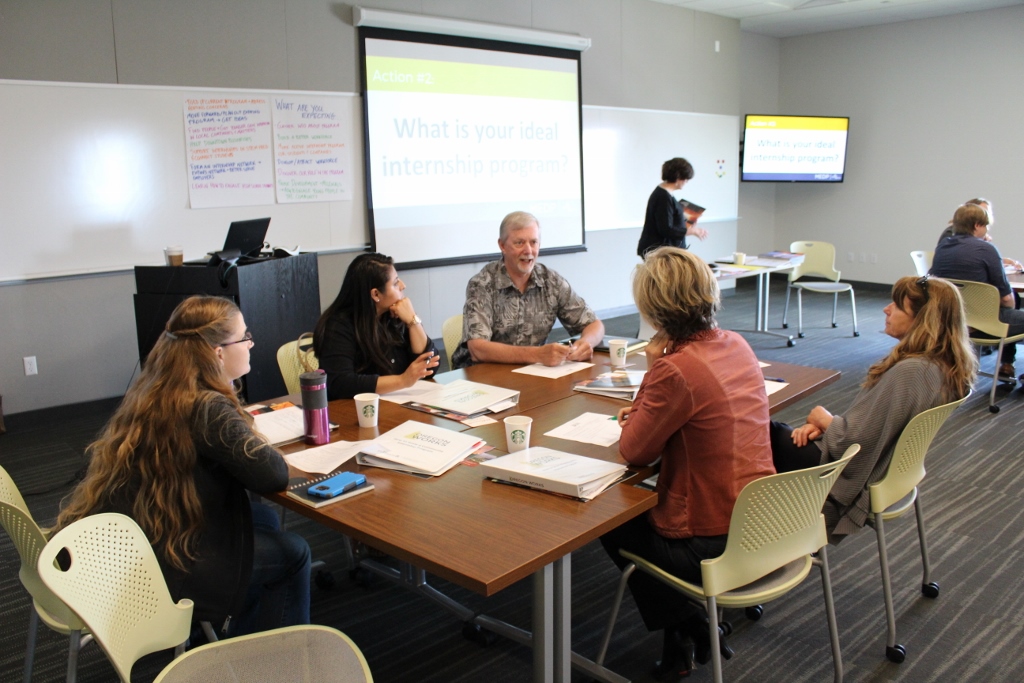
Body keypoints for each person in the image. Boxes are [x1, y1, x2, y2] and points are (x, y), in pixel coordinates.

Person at [56, 296, 310, 637]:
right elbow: (273, 475)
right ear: (217, 352)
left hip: (131, 538)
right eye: (244, 336)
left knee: (259, 518)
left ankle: (238, 634)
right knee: (295, 553)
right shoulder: (207, 406)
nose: (251, 344)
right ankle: (274, 660)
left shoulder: (159, 387)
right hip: (154, 565)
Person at [599, 246, 774, 680]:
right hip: (767, 520)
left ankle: (686, 621)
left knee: (610, 519)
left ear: (653, 308)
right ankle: (688, 624)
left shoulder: (675, 369)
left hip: (713, 540)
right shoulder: (735, 343)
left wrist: (653, 373)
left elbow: (634, 451)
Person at [770, 276, 976, 544]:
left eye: (897, 306)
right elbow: (875, 424)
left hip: (848, 470)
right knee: (780, 433)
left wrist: (822, 418)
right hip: (887, 470)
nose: (886, 309)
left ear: (922, 319)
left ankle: (757, 536)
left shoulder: (912, 371)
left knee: (759, 433)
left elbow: (856, 440)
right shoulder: (942, 366)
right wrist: (828, 426)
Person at [451, 211, 605, 369]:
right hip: (483, 374)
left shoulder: (551, 280)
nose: (528, 250)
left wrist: (585, 343)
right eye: (519, 243)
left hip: (532, 372)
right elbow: (478, 349)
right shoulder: (482, 284)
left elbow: (595, 325)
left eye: (533, 242)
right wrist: (537, 354)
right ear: (502, 245)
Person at [313, 252, 439, 400]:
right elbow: (340, 383)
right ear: (376, 294)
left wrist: (413, 321)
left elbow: (431, 366)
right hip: (355, 413)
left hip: (395, 405)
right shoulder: (338, 326)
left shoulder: (395, 316)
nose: (403, 286)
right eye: (395, 283)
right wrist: (402, 380)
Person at [931, 203, 1024, 382]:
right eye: (986, 225)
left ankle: (1005, 363)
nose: (987, 229)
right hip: (987, 324)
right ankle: (1008, 363)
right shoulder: (986, 249)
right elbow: (1007, 299)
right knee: (1013, 310)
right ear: (976, 225)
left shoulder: (943, 247)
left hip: (952, 321)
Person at [636, 157, 708, 258]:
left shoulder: (667, 194)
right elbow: (666, 229)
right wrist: (692, 231)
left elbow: (670, 220)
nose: (686, 181)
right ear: (678, 178)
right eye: (685, 178)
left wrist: (687, 223)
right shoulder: (663, 197)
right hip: (661, 253)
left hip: (666, 251)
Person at [937, 198, 1022, 271]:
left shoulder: (945, 244)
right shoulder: (949, 237)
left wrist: (999, 261)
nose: (986, 217)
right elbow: (962, 263)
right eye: (983, 212)